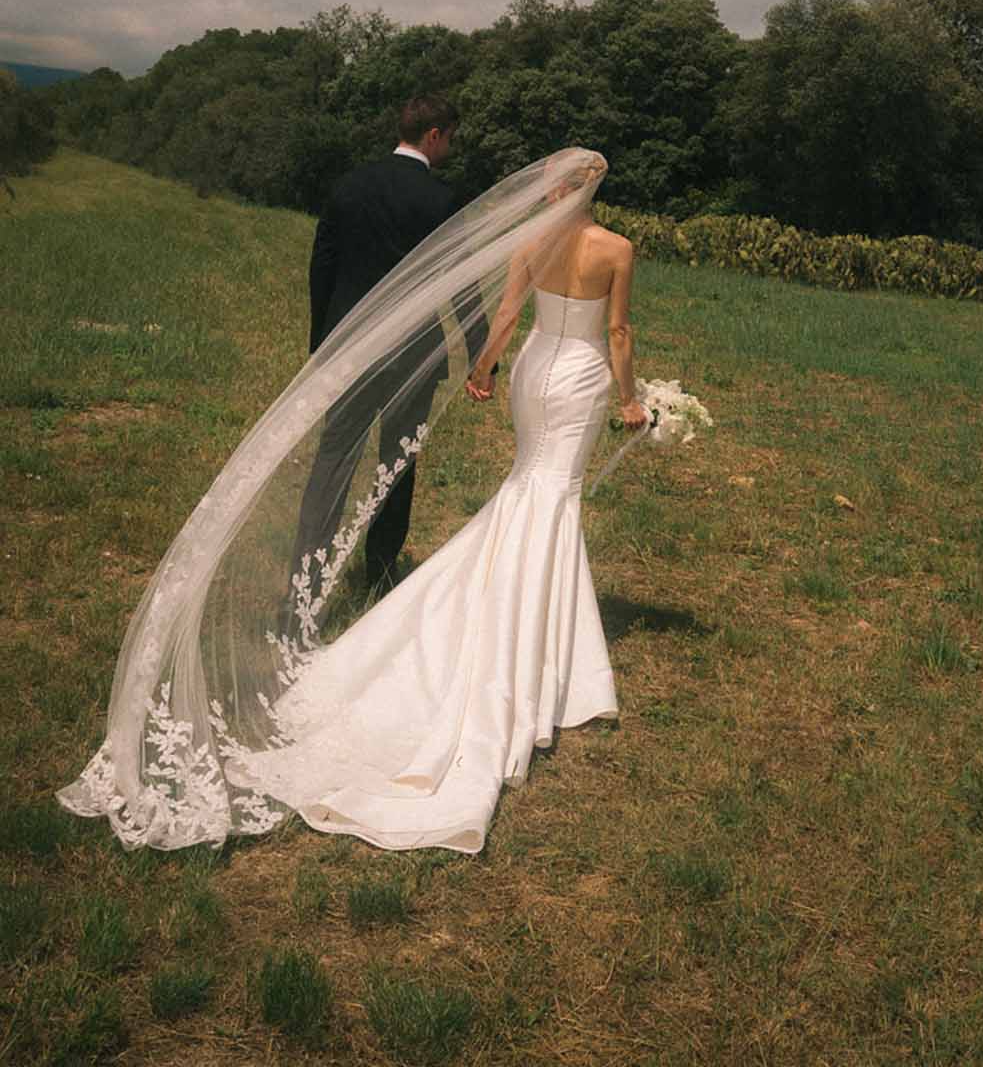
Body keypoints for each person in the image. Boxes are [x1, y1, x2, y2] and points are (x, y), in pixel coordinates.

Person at [58, 148, 644, 855]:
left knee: (529, 484)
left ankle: (523, 612)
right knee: (553, 493)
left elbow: (509, 313)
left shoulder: (527, 242)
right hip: (579, 376)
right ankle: (549, 637)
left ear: (552, 186)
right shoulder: (617, 248)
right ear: (597, 187)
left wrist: (485, 368)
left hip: (532, 372)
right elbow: (617, 331)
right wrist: (634, 400)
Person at [293, 94, 479, 597]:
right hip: (414, 357)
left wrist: (322, 345)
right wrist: (481, 350)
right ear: (434, 135)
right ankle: (378, 574)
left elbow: (323, 268)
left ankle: (305, 582)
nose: (449, 149)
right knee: (395, 468)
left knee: (332, 464)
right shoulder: (440, 200)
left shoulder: (351, 184)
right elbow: (462, 283)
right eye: (450, 139)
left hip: (349, 352)